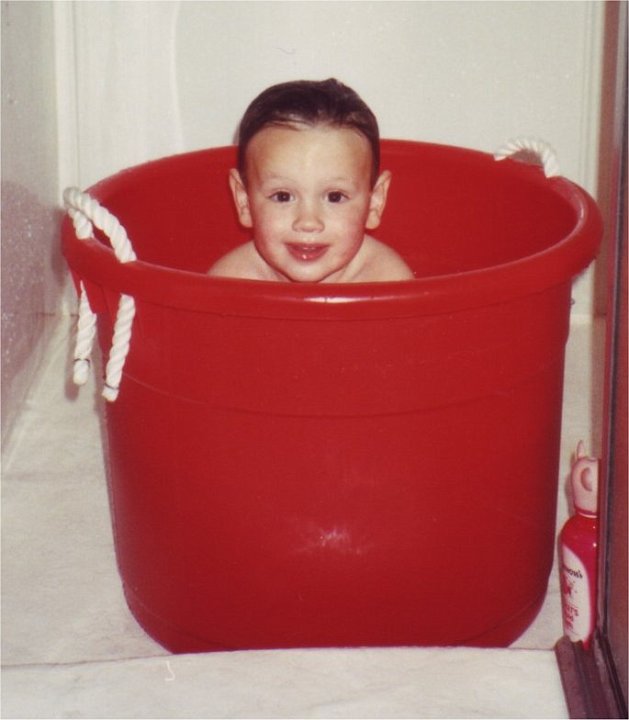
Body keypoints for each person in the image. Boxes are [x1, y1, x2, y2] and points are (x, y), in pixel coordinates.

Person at [208, 78, 414, 283]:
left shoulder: (386, 281)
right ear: (244, 201)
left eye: (335, 196)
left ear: (374, 203)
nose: (308, 222)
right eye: (282, 196)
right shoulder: (230, 283)